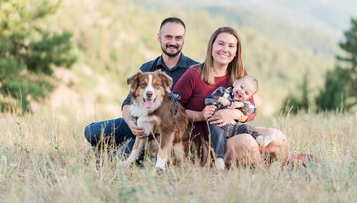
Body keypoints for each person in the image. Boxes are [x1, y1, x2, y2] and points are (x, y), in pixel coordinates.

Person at [173, 26, 289, 167]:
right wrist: (200, 115)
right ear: (212, 46)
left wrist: (233, 113)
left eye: (231, 46)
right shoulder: (193, 74)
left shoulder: (240, 74)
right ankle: (263, 169)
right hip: (206, 142)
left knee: (278, 137)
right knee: (248, 143)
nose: (225, 49)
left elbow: (252, 112)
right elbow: (172, 110)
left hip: (232, 131)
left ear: (236, 52)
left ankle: (283, 168)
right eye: (221, 44)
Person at [84, 17, 198, 156]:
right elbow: (127, 104)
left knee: (124, 152)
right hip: (139, 123)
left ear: (184, 39)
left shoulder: (193, 70)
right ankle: (109, 146)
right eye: (168, 37)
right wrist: (132, 123)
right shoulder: (147, 68)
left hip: (160, 133)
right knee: (91, 131)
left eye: (178, 38)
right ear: (159, 37)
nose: (173, 42)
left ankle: (110, 152)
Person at [205, 75, 275, 169]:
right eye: (241, 87)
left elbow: (252, 109)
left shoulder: (243, 103)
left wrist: (241, 104)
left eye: (246, 93)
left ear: (249, 97)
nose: (242, 92)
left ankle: (260, 139)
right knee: (218, 136)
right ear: (235, 83)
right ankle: (219, 160)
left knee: (246, 128)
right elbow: (207, 99)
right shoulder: (222, 92)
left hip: (233, 129)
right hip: (217, 125)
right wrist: (219, 99)